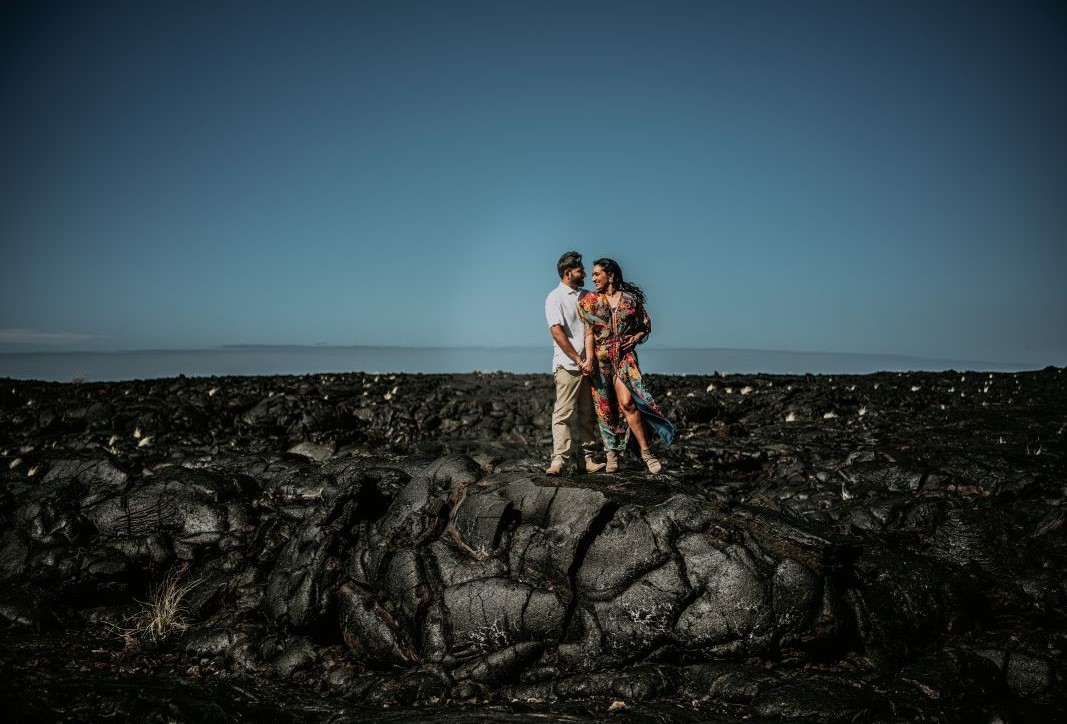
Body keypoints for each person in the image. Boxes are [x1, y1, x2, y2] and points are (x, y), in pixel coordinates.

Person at [578, 258, 675, 474]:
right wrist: (589, 359)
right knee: (605, 409)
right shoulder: (590, 301)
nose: (593, 278)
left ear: (610, 275)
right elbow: (589, 334)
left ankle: (647, 454)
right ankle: (611, 454)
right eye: (592, 274)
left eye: (597, 274)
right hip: (600, 359)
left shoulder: (630, 301)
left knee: (628, 403)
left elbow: (645, 324)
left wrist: (636, 337)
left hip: (624, 358)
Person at [544, 251, 606, 476]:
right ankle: (559, 461)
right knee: (563, 413)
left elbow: (594, 329)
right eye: (580, 270)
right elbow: (557, 332)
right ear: (568, 272)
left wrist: (589, 360)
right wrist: (578, 359)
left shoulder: (588, 296)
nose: (585, 274)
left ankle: (586, 460)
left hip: (589, 364)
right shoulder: (555, 297)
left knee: (588, 414)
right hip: (568, 365)